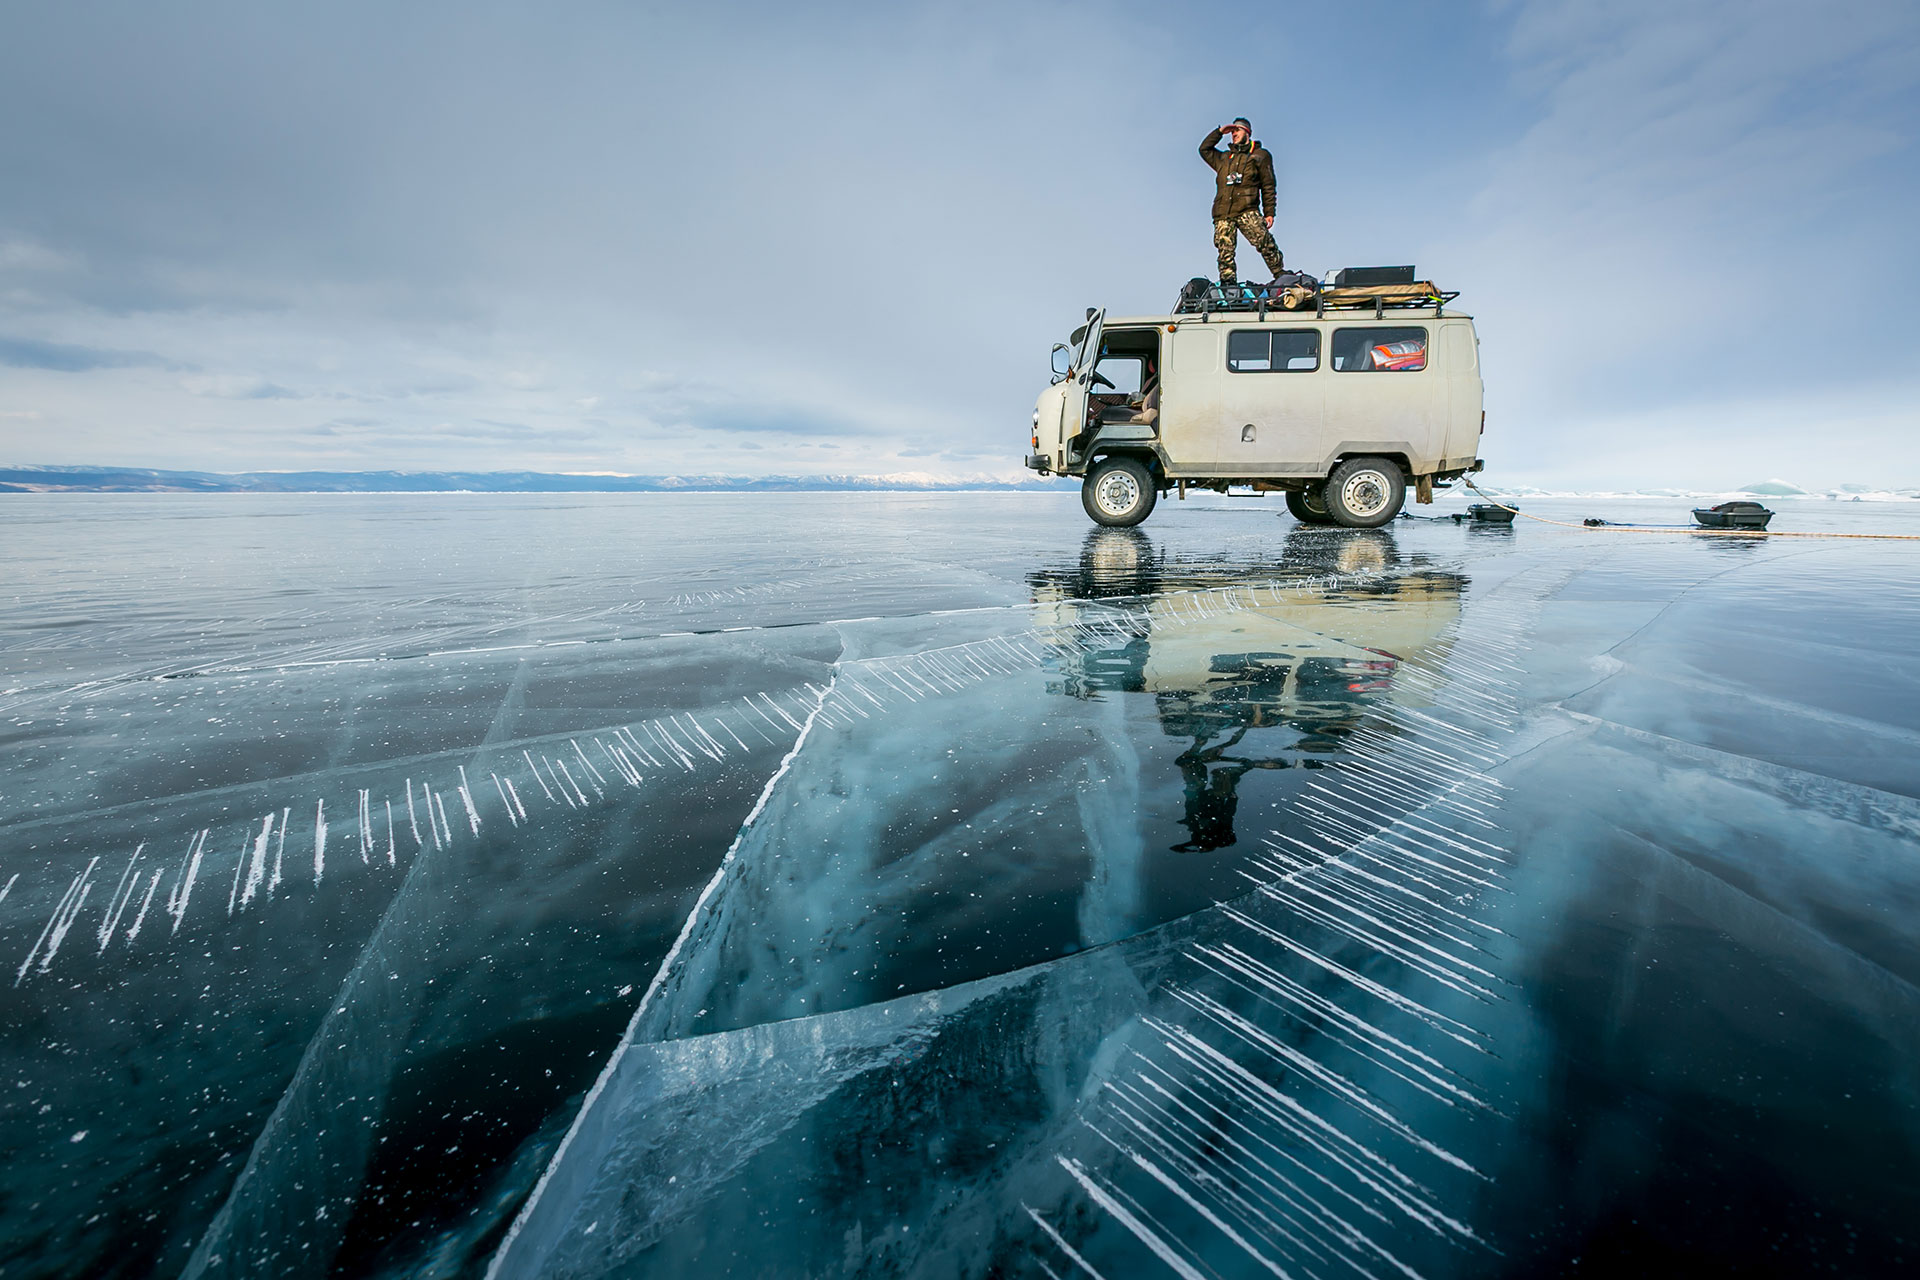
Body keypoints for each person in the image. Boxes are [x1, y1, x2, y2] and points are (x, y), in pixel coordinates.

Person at [1199, 118, 1282, 285]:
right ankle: (1228, 284)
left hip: (1247, 210)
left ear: (1247, 132)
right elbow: (1204, 149)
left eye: (1237, 130)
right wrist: (1220, 132)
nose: (1234, 134)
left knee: (1265, 242)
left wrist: (1269, 212)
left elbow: (1268, 185)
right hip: (1223, 213)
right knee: (1225, 252)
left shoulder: (1260, 155)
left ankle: (1280, 274)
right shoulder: (1223, 158)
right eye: (1232, 132)